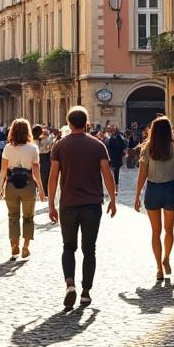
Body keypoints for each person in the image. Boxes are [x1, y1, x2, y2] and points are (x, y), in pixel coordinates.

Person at [48, 106, 118, 309]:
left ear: (69, 124)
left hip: (68, 204)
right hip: (92, 205)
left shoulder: (59, 146)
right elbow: (107, 173)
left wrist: (51, 204)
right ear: (86, 123)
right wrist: (112, 199)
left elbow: (53, 177)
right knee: (89, 250)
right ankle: (86, 292)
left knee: (68, 247)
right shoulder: (98, 145)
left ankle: (70, 283)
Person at [132, 116, 174, 281]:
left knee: (155, 232)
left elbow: (142, 175)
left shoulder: (147, 149)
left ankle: (158, 268)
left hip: (153, 190)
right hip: (170, 189)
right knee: (169, 230)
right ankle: (166, 259)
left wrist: (137, 196)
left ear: (154, 131)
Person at [0, 118, 45, 260]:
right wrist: (41, 191)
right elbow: (36, 173)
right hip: (28, 185)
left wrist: (0, 188)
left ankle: (14, 245)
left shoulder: (7, 148)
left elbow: (3, 171)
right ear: (28, 132)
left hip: (11, 184)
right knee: (28, 217)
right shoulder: (33, 148)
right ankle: (25, 247)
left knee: (13, 217)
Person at [37, 124, 57, 197]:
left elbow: (51, 145)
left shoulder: (46, 138)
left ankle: (44, 191)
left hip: (44, 156)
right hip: (41, 156)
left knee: (45, 174)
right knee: (42, 174)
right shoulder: (36, 139)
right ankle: (42, 190)